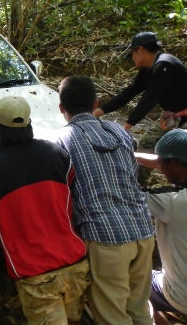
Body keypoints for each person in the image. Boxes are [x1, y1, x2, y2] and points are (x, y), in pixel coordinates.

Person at [0, 96, 90, 325]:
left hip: (35, 276)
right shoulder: (57, 154)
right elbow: (72, 196)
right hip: (76, 265)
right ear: (29, 123)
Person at [57, 76, 155, 325]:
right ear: (96, 102)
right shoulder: (118, 132)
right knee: (140, 308)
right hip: (142, 230)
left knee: (111, 316)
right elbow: (132, 174)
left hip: (104, 237)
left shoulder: (60, 141)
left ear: (61, 108)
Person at [93, 32, 187, 186]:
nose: (132, 58)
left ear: (141, 50)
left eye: (132, 53)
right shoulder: (148, 70)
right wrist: (97, 112)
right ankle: (138, 184)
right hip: (172, 116)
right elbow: (129, 93)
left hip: (183, 116)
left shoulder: (165, 65)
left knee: (181, 154)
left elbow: (149, 99)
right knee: (147, 144)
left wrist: (126, 127)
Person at [135, 129, 187, 325]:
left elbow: (128, 195)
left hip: (182, 297)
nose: (161, 170)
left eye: (162, 165)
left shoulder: (173, 201)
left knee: (136, 278)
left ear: (173, 163)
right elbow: (166, 161)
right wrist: (134, 155)